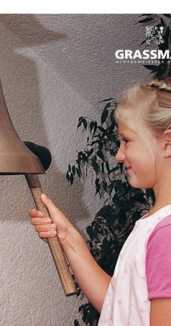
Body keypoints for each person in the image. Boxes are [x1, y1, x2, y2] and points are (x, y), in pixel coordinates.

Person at [29, 78, 171, 326]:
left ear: (168, 143)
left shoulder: (166, 234)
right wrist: (67, 238)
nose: (118, 155)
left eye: (126, 140)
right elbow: (120, 308)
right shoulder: (155, 224)